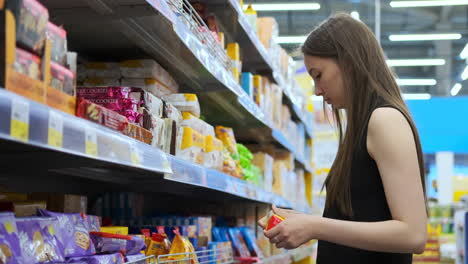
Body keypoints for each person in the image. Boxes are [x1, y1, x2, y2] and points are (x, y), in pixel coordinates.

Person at [261, 13, 427, 264]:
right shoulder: (362, 124)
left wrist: (315, 226)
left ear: (349, 62)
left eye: (318, 75)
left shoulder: (384, 119)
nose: (317, 90)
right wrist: (302, 222)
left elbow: (413, 234)